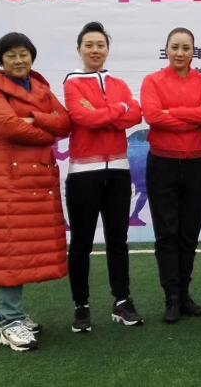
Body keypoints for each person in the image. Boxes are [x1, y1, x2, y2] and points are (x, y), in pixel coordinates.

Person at [0, 32, 71, 351]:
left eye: (23, 54)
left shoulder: (40, 87)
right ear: (1, 61)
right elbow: (7, 124)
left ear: (32, 56)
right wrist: (46, 133)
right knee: (11, 248)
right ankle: (10, 320)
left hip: (34, 179)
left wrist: (37, 118)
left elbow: (65, 122)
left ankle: (2, 316)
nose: (18, 60)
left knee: (20, 246)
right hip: (7, 178)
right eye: (11, 56)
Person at [63, 21, 144, 332]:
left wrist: (108, 111)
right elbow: (84, 118)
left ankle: (122, 301)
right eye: (89, 45)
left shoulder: (119, 83)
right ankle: (80, 305)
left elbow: (135, 115)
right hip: (84, 174)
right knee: (81, 242)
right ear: (79, 49)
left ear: (108, 49)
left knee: (118, 240)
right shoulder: (72, 83)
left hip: (119, 172)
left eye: (100, 45)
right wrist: (117, 110)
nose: (95, 50)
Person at [141, 27, 201, 323]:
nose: (180, 53)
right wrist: (191, 115)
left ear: (193, 51)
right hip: (163, 164)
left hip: (196, 165)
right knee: (167, 233)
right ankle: (171, 297)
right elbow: (153, 116)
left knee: (188, 233)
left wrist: (172, 113)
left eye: (186, 48)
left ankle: (184, 294)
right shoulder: (152, 81)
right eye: (175, 47)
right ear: (167, 49)